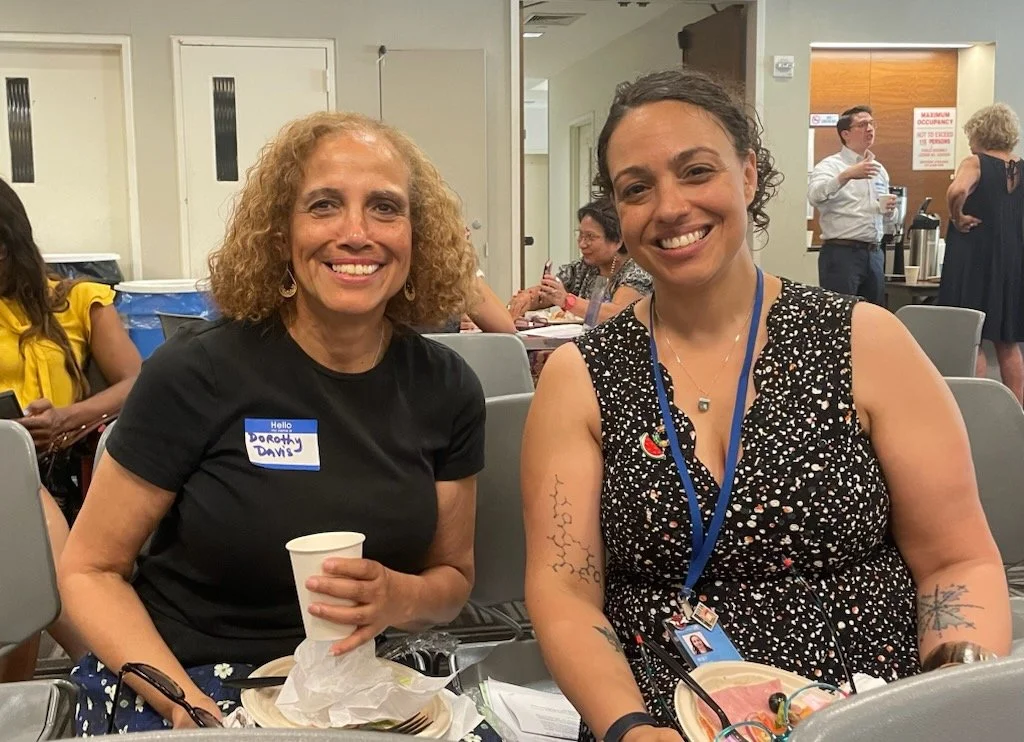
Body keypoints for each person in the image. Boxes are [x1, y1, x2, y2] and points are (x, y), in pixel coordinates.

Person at [522, 68, 1010, 742]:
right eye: (637, 188)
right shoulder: (581, 377)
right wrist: (629, 727)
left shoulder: (864, 341)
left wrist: (952, 702)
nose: (668, 207)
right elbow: (566, 594)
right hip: (664, 713)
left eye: (696, 171)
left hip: (869, 710)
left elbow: (958, 562)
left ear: (749, 175)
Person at [59, 111, 486, 733]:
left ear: (416, 236)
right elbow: (89, 570)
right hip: (190, 678)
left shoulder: (446, 387)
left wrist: (401, 597)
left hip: (362, 682)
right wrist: (189, 709)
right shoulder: (197, 372)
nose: (357, 232)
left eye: (386, 208)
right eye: (324, 205)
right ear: (281, 234)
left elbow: (453, 578)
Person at [0, 176, 141, 671]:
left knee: (23, 537)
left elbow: (137, 382)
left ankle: (105, 671)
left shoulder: (77, 301)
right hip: (8, 469)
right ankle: (105, 669)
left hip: (67, 466)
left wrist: (69, 417)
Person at [938, 103, 1024, 404]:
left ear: (980, 132)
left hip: (975, 257)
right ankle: (1016, 412)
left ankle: (975, 407)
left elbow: (956, 191)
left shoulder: (975, 162)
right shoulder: (1020, 166)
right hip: (1012, 259)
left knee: (971, 337)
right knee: (1008, 341)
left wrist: (956, 215)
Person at [509, 199, 651, 323]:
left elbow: (618, 314)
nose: (582, 244)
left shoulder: (637, 270)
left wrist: (568, 301)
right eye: (580, 235)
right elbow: (551, 292)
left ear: (617, 240)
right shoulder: (584, 267)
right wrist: (527, 298)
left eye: (590, 237)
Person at [808, 105, 893, 304]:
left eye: (872, 124)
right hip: (842, 254)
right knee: (840, 318)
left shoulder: (879, 170)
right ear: (845, 134)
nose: (870, 129)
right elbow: (814, 196)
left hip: (874, 252)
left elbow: (884, 217)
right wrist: (846, 176)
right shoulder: (830, 166)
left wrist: (890, 211)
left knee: (874, 318)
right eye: (863, 125)